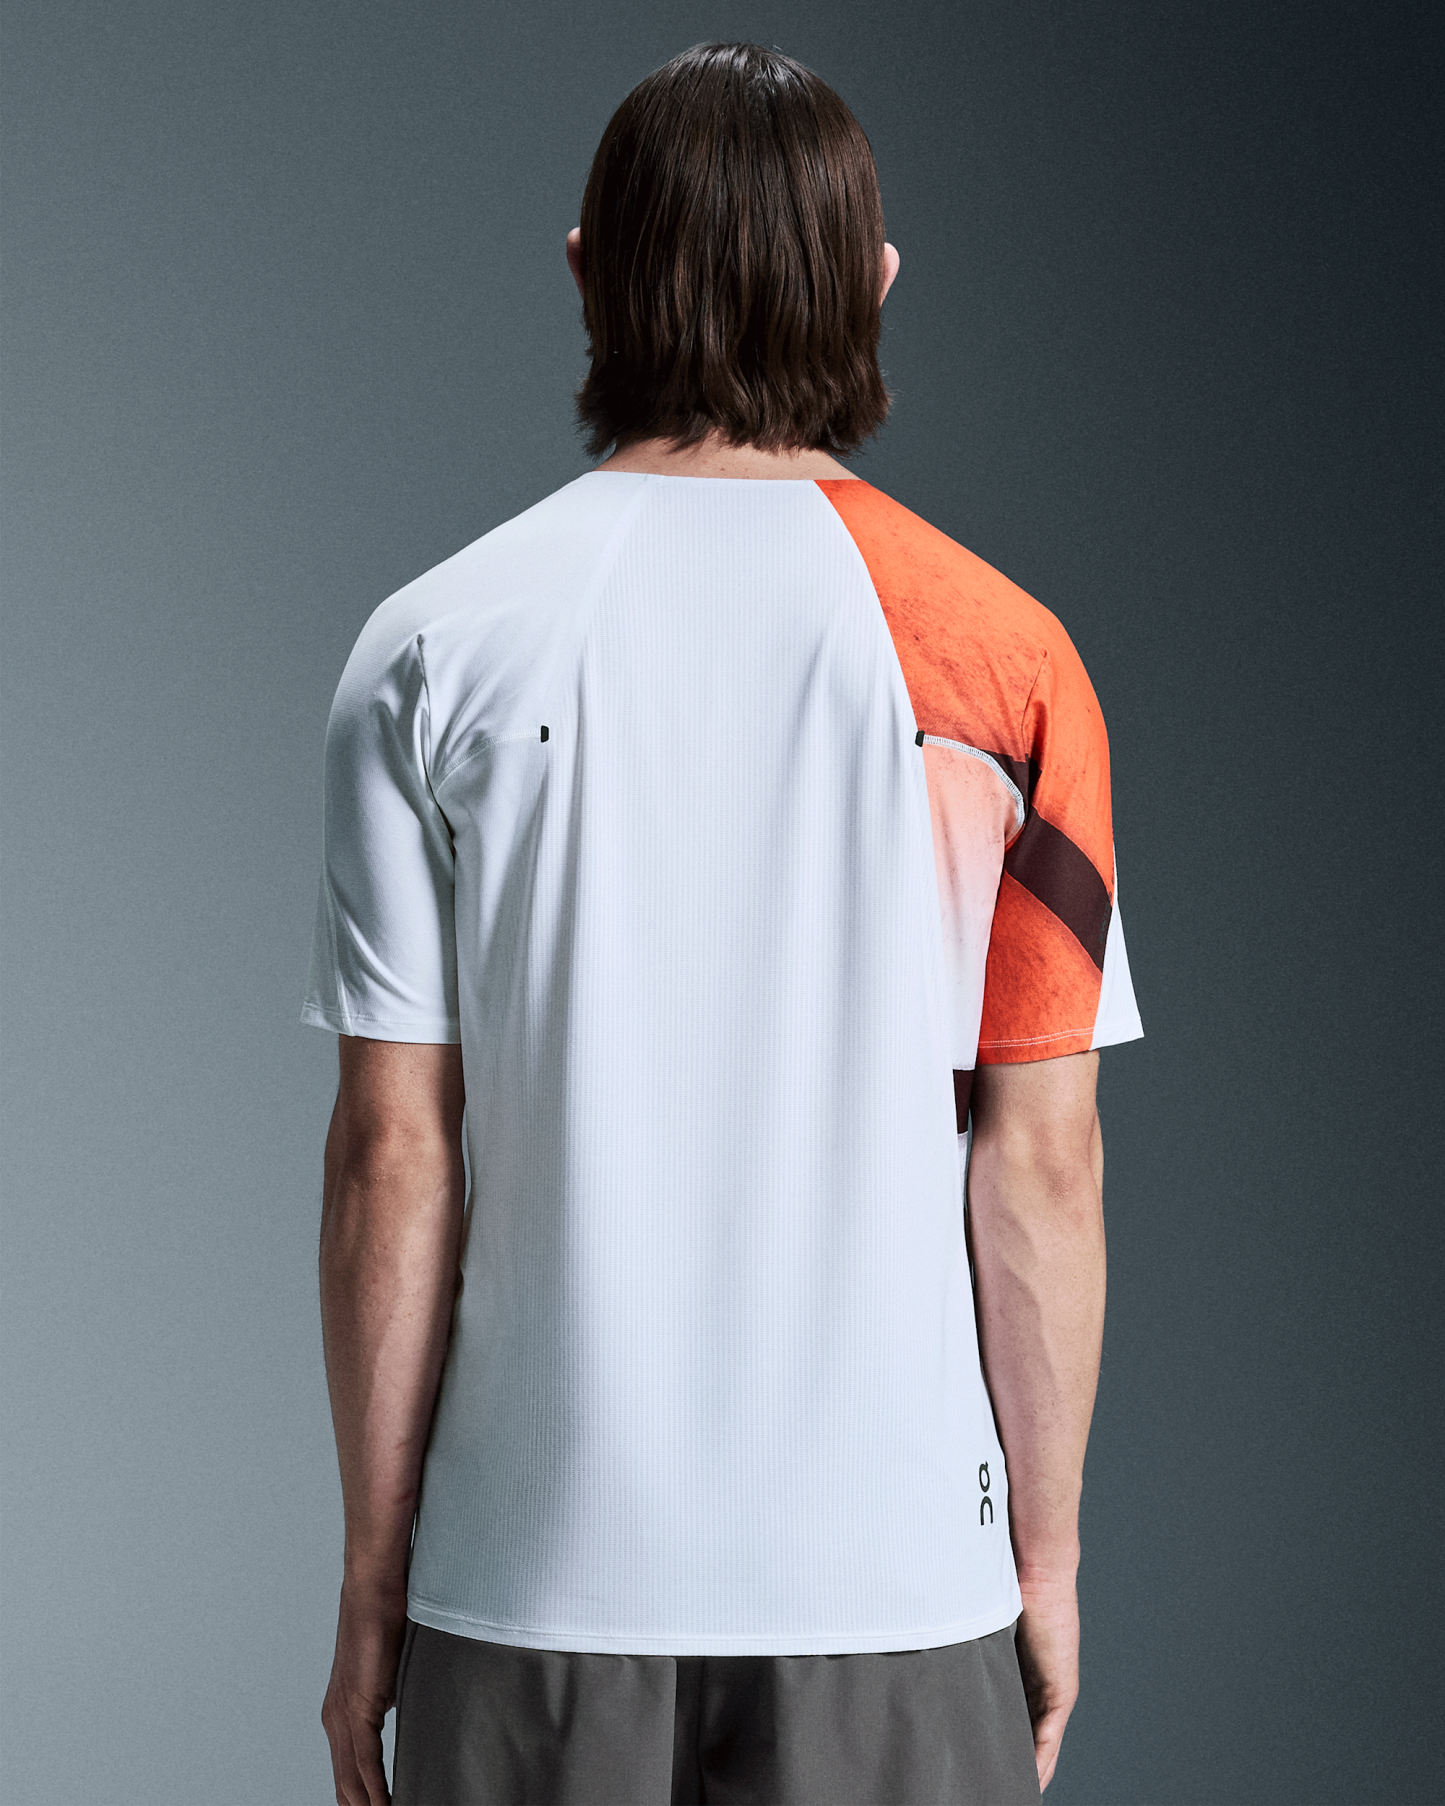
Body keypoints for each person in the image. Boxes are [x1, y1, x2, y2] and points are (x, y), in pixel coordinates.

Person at [303, 40, 1143, 1806]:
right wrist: (1047, 1563)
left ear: (586, 273)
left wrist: (374, 1581)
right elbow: (1043, 1163)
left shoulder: (430, 648)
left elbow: (394, 1150)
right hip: (898, 1588)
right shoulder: (1010, 663)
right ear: (877, 284)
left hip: (527, 1582)